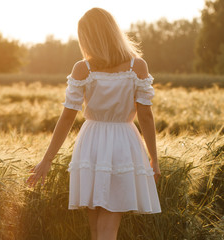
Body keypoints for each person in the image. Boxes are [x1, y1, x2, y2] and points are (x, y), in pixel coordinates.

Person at [26, 7, 161, 240]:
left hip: (91, 143)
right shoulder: (137, 66)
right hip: (123, 142)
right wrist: (154, 158)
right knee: (108, 228)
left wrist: (46, 159)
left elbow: (67, 117)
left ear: (87, 38)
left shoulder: (82, 68)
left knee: (97, 229)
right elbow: (146, 116)